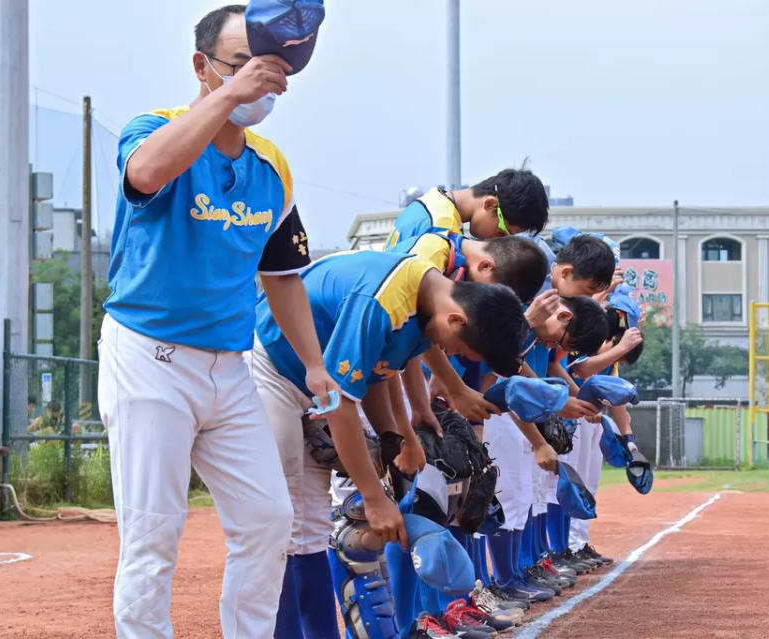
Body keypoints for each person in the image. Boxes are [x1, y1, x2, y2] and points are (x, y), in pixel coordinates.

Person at [96, 5, 334, 638]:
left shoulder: (271, 167)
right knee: (153, 533)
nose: (263, 79)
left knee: (266, 518)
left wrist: (314, 364)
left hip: (230, 368)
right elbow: (146, 173)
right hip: (149, 358)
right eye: (244, 62)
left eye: (274, 68)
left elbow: (281, 276)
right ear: (201, 67)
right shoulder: (154, 129)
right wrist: (231, 92)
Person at [248, 249, 529, 639]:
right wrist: (374, 496)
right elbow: (341, 402)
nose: (450, 354)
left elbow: (378, 374)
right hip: (275, 370)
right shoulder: (385, 301)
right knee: (278, 522)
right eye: (460, 348)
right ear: (456, 318)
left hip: (317, 386)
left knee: (309, 528)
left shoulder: (424, 304)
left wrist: (397, 438)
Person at [383, 169, 550, 250]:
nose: (496, 241)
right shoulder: (441, 228)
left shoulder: (430, 202)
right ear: (490, 204)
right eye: (501, 232)